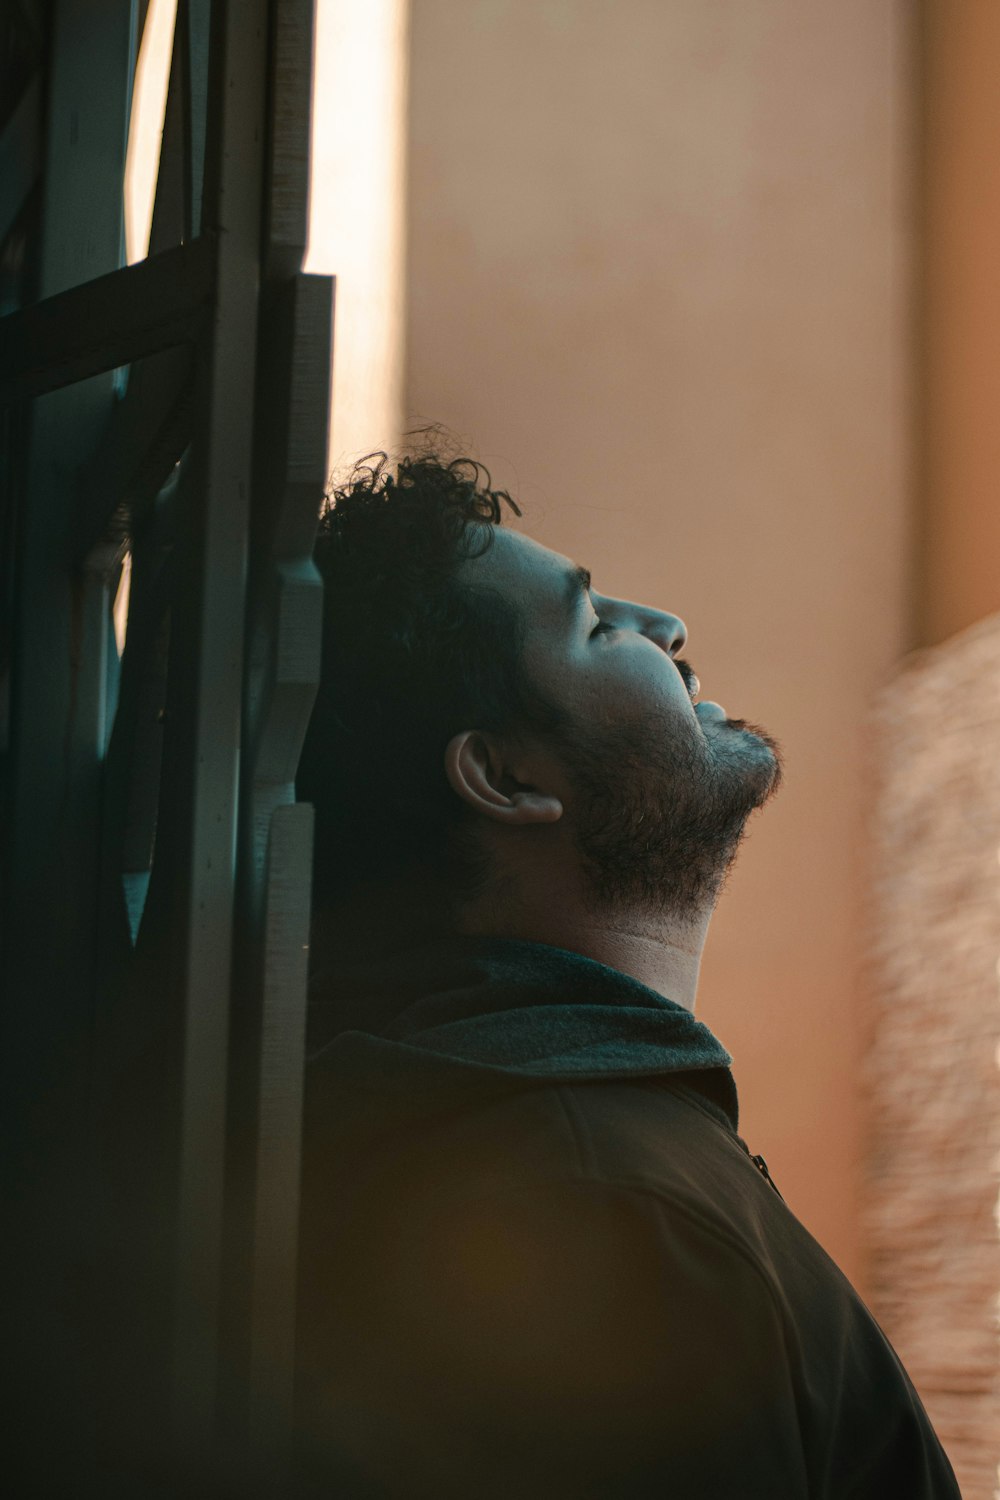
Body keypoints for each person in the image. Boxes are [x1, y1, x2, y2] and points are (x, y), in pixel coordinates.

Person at [292, 447, 961, 1498]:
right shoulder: (607, 1214)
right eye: (596, 626)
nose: (665, 626)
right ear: (508, 777)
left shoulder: (562, 1143)